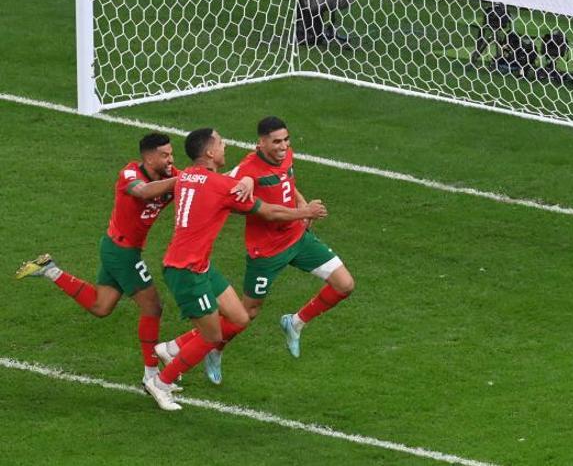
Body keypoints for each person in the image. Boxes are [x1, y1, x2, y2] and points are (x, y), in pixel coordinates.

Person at [155, 116, 354, 385]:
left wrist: (301, 203)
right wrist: (300, 209)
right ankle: (212, 350)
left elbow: (288, 182)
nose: (283, 146)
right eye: (276, 142)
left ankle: (294, 322)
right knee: (245, 314)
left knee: (345, 284)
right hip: (267, 252)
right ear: (260, 143)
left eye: (286, 140)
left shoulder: (286, 155)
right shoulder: (248, 169)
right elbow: (232, 185)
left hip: (298, 238)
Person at [15, 133, 181, 387]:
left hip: (118, 248)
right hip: (122, 251)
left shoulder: (171, 175)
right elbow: (144, 192)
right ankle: (151, 376)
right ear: (148, 157)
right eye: (165, 155)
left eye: (171, 154)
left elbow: (198, 186)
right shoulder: (130, 173)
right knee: (152, 307)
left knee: (101, 308)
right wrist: (180, 180)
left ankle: (50, 270)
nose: (171, 159)